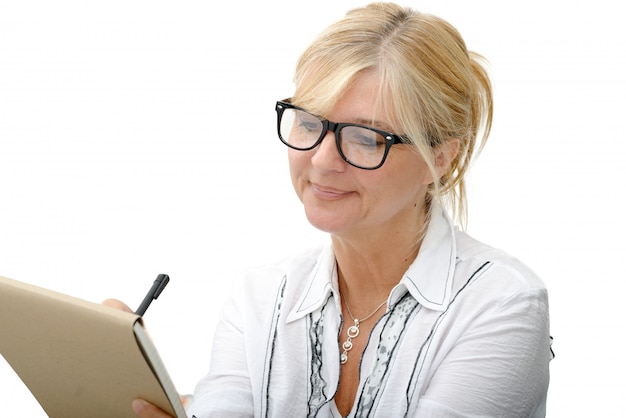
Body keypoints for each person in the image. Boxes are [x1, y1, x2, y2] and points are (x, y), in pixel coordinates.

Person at [126, 2, 553, 417]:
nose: (322, 160)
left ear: (438, 159)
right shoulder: (261, 298)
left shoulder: (501, 304)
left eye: (366, 138)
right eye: (309, 124)